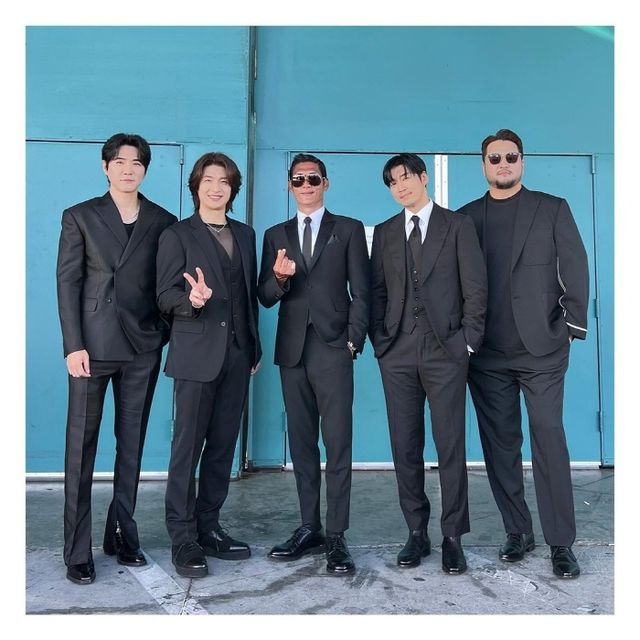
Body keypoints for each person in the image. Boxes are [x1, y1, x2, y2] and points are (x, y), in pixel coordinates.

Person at [457, 129, 589, 579]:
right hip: (486, 354)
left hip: (542, 349)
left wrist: (570, 328)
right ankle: (518, 530)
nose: (503, 164)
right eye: (494, 158)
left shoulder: (552, 208)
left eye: (510, 157)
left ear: (522, 161)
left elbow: (575, 267)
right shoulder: (465, 218)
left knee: (548, 436)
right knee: (500, 445)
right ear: (483, 165)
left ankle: (561, 542)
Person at [56, 133, 177, 585]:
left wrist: (161, 333)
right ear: (105, 167)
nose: (129, 169)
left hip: (141, 348)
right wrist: (73, 345)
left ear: (145, 169)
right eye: (120, 161)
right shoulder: (80, 216)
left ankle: (122, 533)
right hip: (92, 347)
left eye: (137, 163)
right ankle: (76, 550)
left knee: (132, 445)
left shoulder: (163, 221)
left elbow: (166, 285)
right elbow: (68, 283)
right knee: (80, 448)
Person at [369, 153, 486, 575]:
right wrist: (381, 342)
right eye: (392, 182)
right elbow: (377, 291)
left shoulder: (457, 225)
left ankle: (453, 536)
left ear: (423, 178)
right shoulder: (385, 232)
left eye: (406, 178)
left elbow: (476, 288)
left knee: (450, 444)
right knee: (405, 445)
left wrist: (467, 343)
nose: (400, 187)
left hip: (445, 352)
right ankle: (416, 532)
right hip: (397, 352)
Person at [258, 153, 369, 575]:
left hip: (333, 348)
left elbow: (363, 292)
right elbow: (265, 296)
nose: (306, 185)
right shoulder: (275, 234)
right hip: (292, 352)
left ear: (325, 183)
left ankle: (337, 535)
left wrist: (353, 341)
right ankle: (310, 527)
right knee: (302, 445)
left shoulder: (348, 229)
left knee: (337, 443)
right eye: (299, 179)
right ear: (290, 185)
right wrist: (280, 279)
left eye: (313, 178)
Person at [156, 152, 261, 578]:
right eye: (209, 180)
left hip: (237, 355)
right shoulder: (177, 235)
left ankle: (209, 526)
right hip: (196, 355)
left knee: (222, 446)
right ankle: (183, 537)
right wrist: (192, 300)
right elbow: (164, 294)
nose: (216, 188)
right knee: (187, 448)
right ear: (196, 186)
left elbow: (247, 296)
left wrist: (252, 347)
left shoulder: (246, 234)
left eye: (224, 181)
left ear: (233, 189)